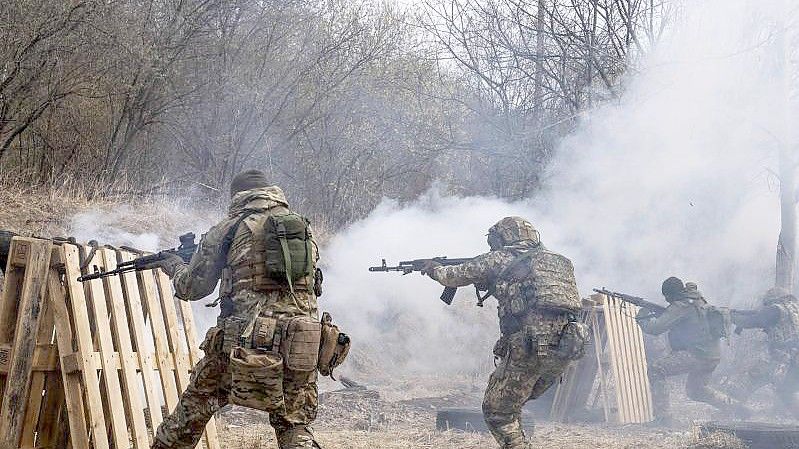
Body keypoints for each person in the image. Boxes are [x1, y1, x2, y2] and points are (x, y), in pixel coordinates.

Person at [147, 170, 322, 449]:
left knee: (190, 415)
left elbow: (191, 288)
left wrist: (174, 265)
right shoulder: (303, 230)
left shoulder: (229, 228)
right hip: (300, 343)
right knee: (293, 426)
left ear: (237, 197)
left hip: (242, 345)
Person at [421, 217, 586, 449]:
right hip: (565, 346)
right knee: (512, 404)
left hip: (528, 348)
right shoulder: (558, 262)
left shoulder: (500, 258)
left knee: (497, 410)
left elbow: (453, 276)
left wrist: (434, 268)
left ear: (504, 237)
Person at [638, 277, 744, 424]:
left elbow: (656, 328)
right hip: (711, 355)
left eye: (667, 297)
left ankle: (664, 418)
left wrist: (642, 317)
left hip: (696, 355)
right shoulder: (697, 301)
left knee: (656, 369)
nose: (667, 300)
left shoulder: (681, 306)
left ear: (670, 294)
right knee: (696, 390)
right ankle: (736, 407)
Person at [730, 287, 799, 415]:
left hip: (785, 359)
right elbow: (757, 314)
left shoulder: (775, 310)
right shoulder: (793, 308)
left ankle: (731, 411)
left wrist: (729, 316)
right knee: (785, 391)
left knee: (748, 380)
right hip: (792, 358)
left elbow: (751, 321)